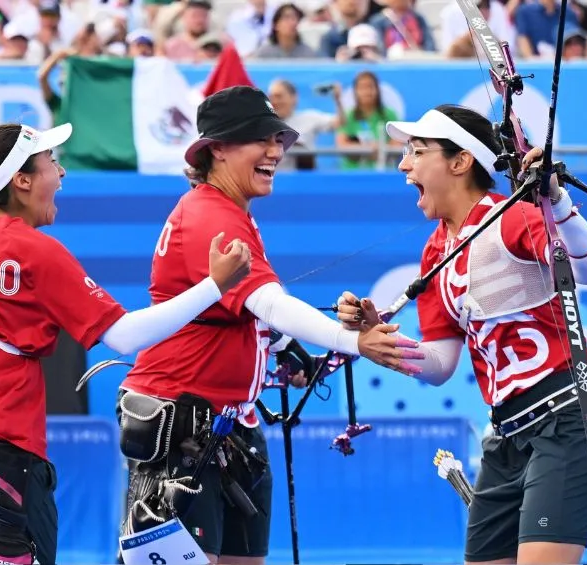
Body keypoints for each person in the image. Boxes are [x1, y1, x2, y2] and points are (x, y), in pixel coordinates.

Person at [0, 122, 254, 565]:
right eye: (51, 164)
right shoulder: (36, 252)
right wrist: (214, 286)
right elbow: (124, 336)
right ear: (21, 181)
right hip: (8, 464)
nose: (61, 174)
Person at [116, 85, 424, 565]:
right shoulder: (209, 214)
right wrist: (354, 341)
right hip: (181, 432)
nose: (276, 150)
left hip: (232, 428)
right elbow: (271, 303)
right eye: (260, 139)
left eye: (279, 138)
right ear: (216, 149)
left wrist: (285, 350)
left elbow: (252, 313)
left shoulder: (231, 212)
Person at [336, 104, 587, 565]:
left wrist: (557, 201)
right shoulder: (436, 249)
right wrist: (380, 342)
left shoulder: (511, 217)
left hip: (569, 422)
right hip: (506, 436)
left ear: (460, 161)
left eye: (415, 151)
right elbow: (439, 366)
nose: (403, 164)